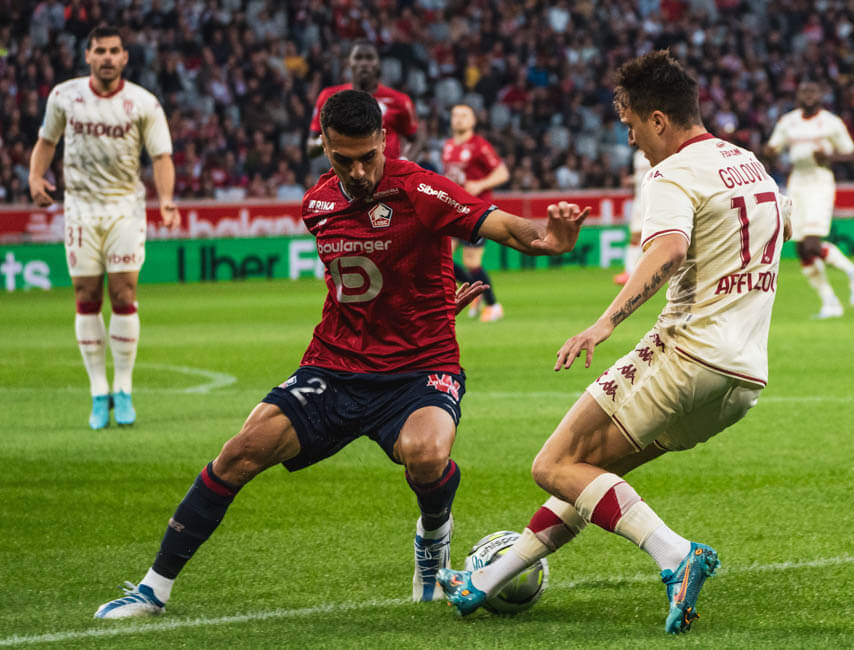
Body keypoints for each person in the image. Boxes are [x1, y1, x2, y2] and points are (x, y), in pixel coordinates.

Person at [93, 90, 588, 619]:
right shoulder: (317, 206)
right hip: (335, 365)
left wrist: (551, 240)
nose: (358, 171)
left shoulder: (421, 188)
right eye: (343, 159)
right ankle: (152, 590)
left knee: (426, 454)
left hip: (421, 366)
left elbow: (504, 225)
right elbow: (363, 285)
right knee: (239, 452)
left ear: (384, 140)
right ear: (324, 146)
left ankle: (433, 537)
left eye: (368, 156)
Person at [437, 51, 791, 635]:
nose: (631, 140)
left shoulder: (671, 173)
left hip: (686, 354)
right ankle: (487, 580)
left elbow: (670, 249)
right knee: (586, 472)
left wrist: (603, 324)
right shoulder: (749, 164)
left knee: (552, 464)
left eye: (631, 125)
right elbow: (769, 234)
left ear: (659, 120)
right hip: (744, 376)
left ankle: (676, 555)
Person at [27, 24, 179, 430]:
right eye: (100, 50)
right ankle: (99, 391)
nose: (107, 57)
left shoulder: (143, 103)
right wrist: (35, 177)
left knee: (124, 293)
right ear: (88, 56)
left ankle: (123, 388)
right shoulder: (64, 96)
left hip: (124, 207)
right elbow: (47, 141)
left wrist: (166, 200)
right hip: (80, 207)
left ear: (125, 57)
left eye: (114, 51)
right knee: (86, 295)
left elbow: (161, 156)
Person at [765, 81, 854, 319]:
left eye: (813, 92)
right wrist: (770, 152)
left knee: (811, 243)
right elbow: (772, 148)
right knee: (801, 248)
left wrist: (829, 156)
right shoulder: (788, 121)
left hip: (820, 181)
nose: (808, 96)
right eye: (804, 92)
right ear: (798, 97)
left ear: (821, 96)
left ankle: (853, 271)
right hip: (797, 182)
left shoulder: (831, 122)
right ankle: (830, 302)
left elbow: (852, 153)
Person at [442, 103, 510, 321]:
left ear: (473, 121)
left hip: (476, 212)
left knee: (472, 263)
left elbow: (502, 173)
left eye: (464, 115)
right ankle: (473, 291)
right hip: (453, 210)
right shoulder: (448, 146)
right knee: (442, 257)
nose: (459, 119)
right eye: (455, 115)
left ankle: (494, 305)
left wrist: (480, 184)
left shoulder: (480, 146)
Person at [307, 41, 417, 161]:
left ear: (378, 63)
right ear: (349, 62)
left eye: (369, 58)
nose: (364, 63)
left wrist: (405, 159)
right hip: (346, 172)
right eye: (358, 58)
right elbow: (310, 149)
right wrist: (330, 139)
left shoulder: (399, 100)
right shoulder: (329, 97)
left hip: (388, 171)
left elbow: (416, 139)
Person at [613, 148, 650, 286]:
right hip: (639, 201)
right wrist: (631, 180)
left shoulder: (657, 148)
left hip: (652, 199)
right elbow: (640, 177)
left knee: (647, 237)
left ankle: (634, 272)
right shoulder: (638, 155)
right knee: (635, 237)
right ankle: (630, 272)